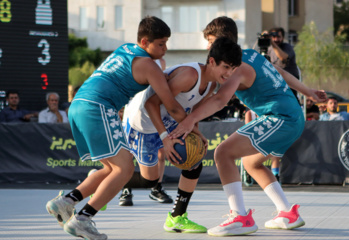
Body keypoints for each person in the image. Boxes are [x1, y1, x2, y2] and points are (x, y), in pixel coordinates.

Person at [169, 16, 327, 236]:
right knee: (251, 163)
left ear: (222, 41)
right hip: (288, 117)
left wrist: (189, 120)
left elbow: (219, 99)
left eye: (211, 41)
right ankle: (287, 213)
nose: (208, 47)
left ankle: (240, 217)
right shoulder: (252, 55)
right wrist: (307, 91)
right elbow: (281, 73)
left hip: (280, 118)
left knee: (223, 153)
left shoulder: (238, 67)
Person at [45, 16, 187, 240]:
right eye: (161, 44)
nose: (165, 49)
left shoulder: (125, 48)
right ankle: (82, 219)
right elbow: (171, 105)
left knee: (111, 169)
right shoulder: (149, 66)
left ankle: (66, 201)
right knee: (125, 169)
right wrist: (192, 125)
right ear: (144, 41)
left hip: (78, 105)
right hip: (98, 108)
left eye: (166, 43)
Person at [118, 37, 242, 233]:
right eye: (225, 67)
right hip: (143, 122)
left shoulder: (211, 85)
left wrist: (196, 133)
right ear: (211, 61)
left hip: (169, 120)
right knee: (149, 180)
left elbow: (191, 114)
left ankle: (176, 217)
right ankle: (105, 178)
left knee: (195, 160)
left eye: (232, 69)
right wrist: (164, 138)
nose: (228, 74)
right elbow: (151, 104)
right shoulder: (190, 75)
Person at [119, 57, 174, 206]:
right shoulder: (137, 60)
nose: (162, 48)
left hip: (155, 112)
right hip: (136, 110)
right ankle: (126, 189)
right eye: (160, 43)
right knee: (128, 152)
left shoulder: (161, 61)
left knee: (161, 152)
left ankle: (156, 188)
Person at [266, 27, 300, 100]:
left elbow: (283, 58)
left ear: (283, 37)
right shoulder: (268, 49)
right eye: (273, 37)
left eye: (278, 37)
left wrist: (272, 43)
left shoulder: (287, 47)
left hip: (290, 84)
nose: (276, 39)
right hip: (275, 84)